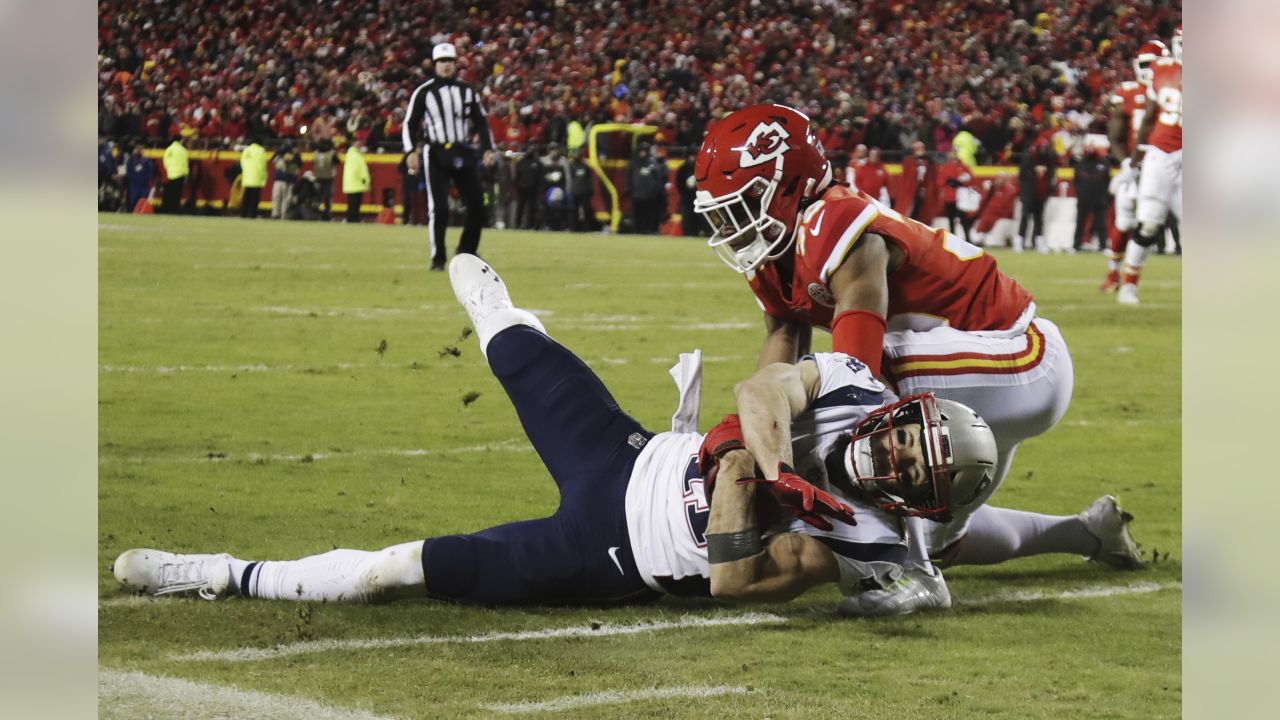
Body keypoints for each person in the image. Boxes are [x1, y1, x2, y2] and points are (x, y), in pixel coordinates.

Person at [112, 257, 1140, 613]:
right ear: (908, 414)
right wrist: (759, 452)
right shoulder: (859, 383)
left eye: (912, 468)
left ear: (911, 492)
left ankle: (212, 570)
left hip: (611, 554)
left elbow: (733, 584)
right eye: (913, 437)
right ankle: (474, 268)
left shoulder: (862, 538)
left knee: (395, 572)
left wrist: (747, 499)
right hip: (627, 453)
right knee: (513, 346)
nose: (897, 452)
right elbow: (768, 383)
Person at [691, 104, 1077, 570]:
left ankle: (902, 574)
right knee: (943, 542)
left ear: (792, 185)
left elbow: (857, 378)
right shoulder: (776, 248)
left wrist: (800, 463)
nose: (734, 227)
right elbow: (782, 348)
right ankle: (1089, 532)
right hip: (969, 379)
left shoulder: (836, 222)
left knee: (855, 403)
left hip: (1023, 355)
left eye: (747, 203)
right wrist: (762, 439)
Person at [403, 42, 495, 271]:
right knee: (439, 208)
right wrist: (409, 152)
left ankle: (467, 250)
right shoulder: (424, 92)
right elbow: (409, 124)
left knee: (477, 204)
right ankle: (438, 258)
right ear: (434, 65)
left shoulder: (467, 90)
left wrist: (487, 148)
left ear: (456, 64)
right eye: (441, 62)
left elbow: (481, 121)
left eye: (449, 62)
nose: (446, 66)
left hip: (462, 150)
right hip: (435, 152)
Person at [1119, 28, 1182, 306]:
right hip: (1161, 153)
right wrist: (1133, 163)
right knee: (1148, 225)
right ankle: (1129, 284)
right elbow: (1147, 119)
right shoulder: (1161, 69)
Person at [1101, 40, 1166, 291]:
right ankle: (1114, 273)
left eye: (1154, 64)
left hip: (1166, 164)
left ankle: (1129, 279)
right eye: (1145, 64)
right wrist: (1127, 163)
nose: (1149, 70)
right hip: (1136, 166)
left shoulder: (1174, 86)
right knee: (1125, 222)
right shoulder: (1127, 92)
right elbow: (1115, 135)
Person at [1017, 140, 1057, 252]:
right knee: (1025, 218)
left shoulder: (1049, 159)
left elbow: (1052, 175)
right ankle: (1020, 241)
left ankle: (1038, 242)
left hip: (1041, 194)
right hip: (1029, 194)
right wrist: (1034, 170)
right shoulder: (1029, 157)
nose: (1044, 149)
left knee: (1039, 219)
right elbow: (1022, 174)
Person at [1072, 139, 1111, 252]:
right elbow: (1076, 181)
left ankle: (1103, 245)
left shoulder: (1104, 163)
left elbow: (1107, 181)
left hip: (1099, 199)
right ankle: (1076, 245)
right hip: (1084, 199)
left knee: (1101, 224)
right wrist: (1080, 195)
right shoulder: (1080, 164)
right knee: (1080, 223)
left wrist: (1104, 196)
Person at [628, 140, 667, 234]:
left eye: (644, 150)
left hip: (650, 195)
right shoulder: (634, 163)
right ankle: (637, 229)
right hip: (637, 194)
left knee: (649, 213)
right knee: (638, 213)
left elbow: (658, 178)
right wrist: (628, 188)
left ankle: (648, 229)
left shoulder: (652, 163)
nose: (642, 153)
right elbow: (628, 177)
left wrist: (657, 189)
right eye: (641, 150)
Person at [936, 149, 975, 242]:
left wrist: (959, 182)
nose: (953, 155)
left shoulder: (962, 166)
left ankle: (968, 239)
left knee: (964, 219)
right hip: (950, 197)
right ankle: (953, 240)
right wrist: (949, 182)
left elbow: (970, 178)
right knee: (951, 220)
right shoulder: (946, 167)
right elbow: (939, 182)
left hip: (961, 198)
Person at [567, 146, 598, 233]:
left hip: (584, 191)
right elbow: (570, 178)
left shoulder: (585, 166)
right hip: (575, 191)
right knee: (574, 211)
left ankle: (586, 228)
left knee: (586, 210)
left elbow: (589, 178)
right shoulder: (571, 166)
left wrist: (590, 189)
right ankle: (573, 228)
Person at [342, 142, 371, 223]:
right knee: (356, 204)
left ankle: (349, 219)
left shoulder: (349, 155)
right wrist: (366, 182)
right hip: (357, 184)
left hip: (349, 184)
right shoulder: (358, 156)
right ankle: (355, 219)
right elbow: (362, 170)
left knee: (351, 204)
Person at [239, 139, 268, 219]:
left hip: (247, 177)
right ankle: (252, 214)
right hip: (257, 178)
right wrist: (264, 177)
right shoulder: (261, 151)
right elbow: (263, 165)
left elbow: (242, 163)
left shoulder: (247, 150)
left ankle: (243, 213)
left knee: (246, 197)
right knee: (254, 199)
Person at [161, 134, 189, 215]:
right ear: (180, 140)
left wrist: (169, 169)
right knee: (177, 193)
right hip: (181, 174)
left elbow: (165, 161)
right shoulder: (183, 150)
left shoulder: (170, 149)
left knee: (170, 192)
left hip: (171, 174)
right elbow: (185, 163)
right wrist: (186, 173)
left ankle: (168, 209)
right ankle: (175, 210)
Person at [270, 145, 299, 220]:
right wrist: (279, 152)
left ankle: (283, 216)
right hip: (281, 179)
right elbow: (272, 160)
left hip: (287, 180)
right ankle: (276, 214)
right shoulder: (279, 156)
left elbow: (299, 163)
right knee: (278, 198)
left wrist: (295, 154)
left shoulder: (294, 156)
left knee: (284, 199)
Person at [124, 145, 156, 213]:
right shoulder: (131, 160)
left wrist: (150, 181)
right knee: (133, 201)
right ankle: (133, 212)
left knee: (143, 200)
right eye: (137, 149)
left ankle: (142, 212)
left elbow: (151, 172)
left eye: (140, 149)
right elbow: (128, 172)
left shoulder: (147, 160)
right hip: (134, 185)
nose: (138, 151)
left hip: (143, 185)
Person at [311, 139, 337, 221]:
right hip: (328, 179)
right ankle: (327, 216)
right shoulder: (331, 154)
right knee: (328, 199)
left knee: (317, 199)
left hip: (318, 178)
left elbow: (313, 164)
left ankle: (315, 215)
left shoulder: (315, 154)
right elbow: (336, 162)